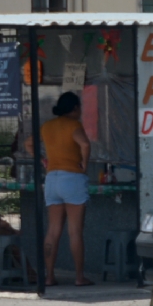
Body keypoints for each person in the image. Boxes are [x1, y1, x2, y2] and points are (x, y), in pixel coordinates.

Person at [41, 92, 93, 287]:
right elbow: (85, 144)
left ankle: (49, 277)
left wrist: (43, 161)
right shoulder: (74, 125)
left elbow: (29, 143)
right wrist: (84, 164)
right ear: (74, 109)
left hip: (51, 179)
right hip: (72, 178)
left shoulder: (47, 126)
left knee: (53, 230)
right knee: (75, 231)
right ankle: (79, 277)